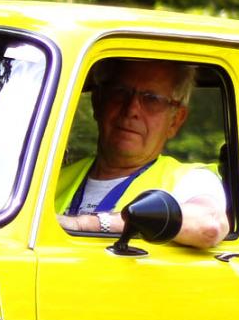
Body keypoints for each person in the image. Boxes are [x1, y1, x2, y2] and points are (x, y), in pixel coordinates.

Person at [55, 58, 229, 249]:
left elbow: (208, 225)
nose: (131, 109)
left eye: (152, 99)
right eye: (120, 93)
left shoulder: (190, 180)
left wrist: (85, 224)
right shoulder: (51, 179)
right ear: (98, 101)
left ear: (175, 120)